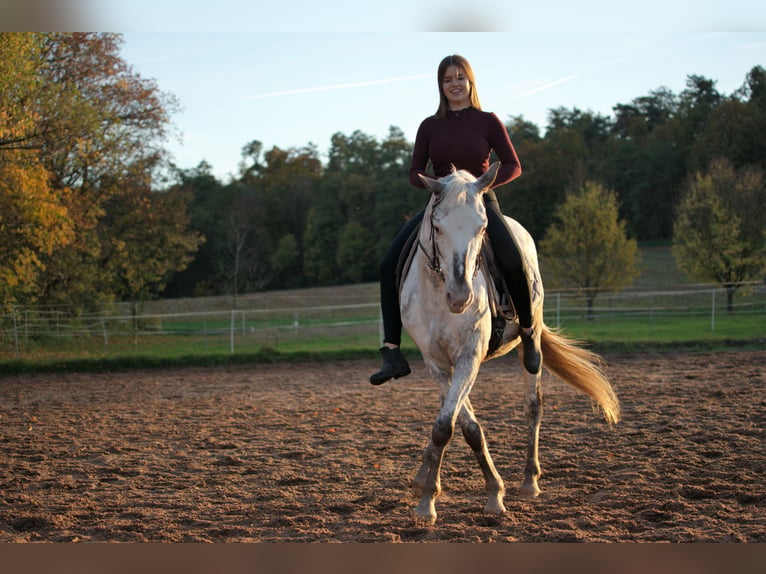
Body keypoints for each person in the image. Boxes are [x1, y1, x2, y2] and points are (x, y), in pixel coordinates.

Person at [369, 54, 541, 385]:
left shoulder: (488, 120)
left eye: (460, 77)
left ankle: (530, 331)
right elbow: (413, 172)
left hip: (478, 200)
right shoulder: (429, 126)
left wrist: (479, 185)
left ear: (471, 82)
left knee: (513, 255)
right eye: (448, 79)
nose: (455, 84)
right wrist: (438, 186)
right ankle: (392, 351)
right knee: (389, 263)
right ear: (441, 86)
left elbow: (513, 165)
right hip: (442, 205)